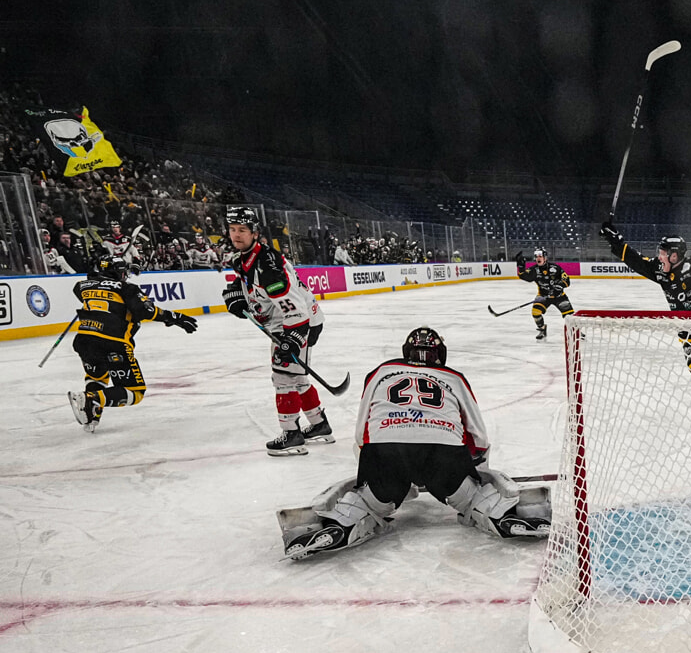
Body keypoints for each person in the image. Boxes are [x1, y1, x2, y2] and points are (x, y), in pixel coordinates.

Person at [279, 327, 551, 560]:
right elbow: (478, 436)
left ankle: (343, 521)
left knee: (372, 500)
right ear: (440, 355)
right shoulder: (453, 377)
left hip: (385, 453)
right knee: (470, 496)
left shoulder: (381, 372)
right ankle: (499, 513)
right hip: (442, 456)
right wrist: (473, 467)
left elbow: (362, 433)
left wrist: (376, 466)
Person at [601, 218, 691, 422]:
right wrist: (615, 241)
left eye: (663, 253)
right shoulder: (661, 272)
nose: (659, 257)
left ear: (675, 255)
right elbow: (637, 262)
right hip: (686, 332)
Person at [220, 205, 333, 455]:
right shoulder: (246, 256)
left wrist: (292, 339)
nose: (236, 235)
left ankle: (292, 434)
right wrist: (236, 295)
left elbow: (297, 310)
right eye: (232, 229)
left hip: (297, 322)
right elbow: (242, 281)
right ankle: (319, 425)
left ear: (255, 232)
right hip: (288, 320)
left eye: (242, 230)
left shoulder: (269, 269)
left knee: (282, 378)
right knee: (297, 377)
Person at [67, 255, 198, 432]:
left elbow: (86, 285)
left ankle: (91, 413)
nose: (125, 275)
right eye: (123, 272)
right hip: (113, 342)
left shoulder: (82, 286)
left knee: (97, 377)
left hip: (84, 341)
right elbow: (146, 310)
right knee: (135, 392)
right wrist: (174, 317)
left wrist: (98, 276)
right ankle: (92, 400)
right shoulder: (127, 288)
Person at [515, 248, 573, 340]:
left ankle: (575, 332)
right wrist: (521, 267)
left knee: (570, 317)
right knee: (536, 312)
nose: (538, 258)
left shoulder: (555, 268)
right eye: (536, 256)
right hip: (543, 296)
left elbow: (567, 281)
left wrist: (559, 287)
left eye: (540, 256)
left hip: (559, 296)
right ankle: (542, 329)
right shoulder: (534, 270)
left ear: (545, 258)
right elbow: (524, 276)